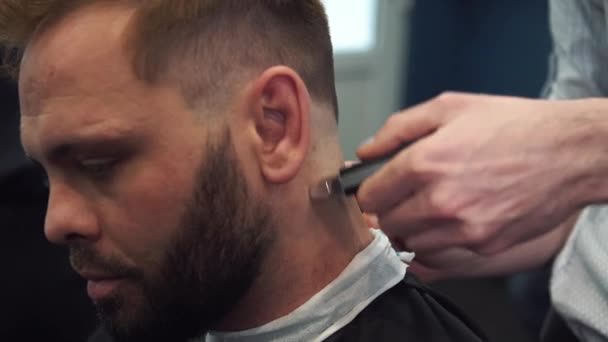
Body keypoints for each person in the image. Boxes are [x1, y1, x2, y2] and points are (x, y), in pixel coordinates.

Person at [1, 1, 488, 341]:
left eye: (99, 164)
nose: (55, 223)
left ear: (273, 127)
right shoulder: (164, 303)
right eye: (47, 175)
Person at [356, 1, 608, 341]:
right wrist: (482, 233)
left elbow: (579, 158)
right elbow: (584, 187)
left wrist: (575, 146)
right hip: (576, 319)